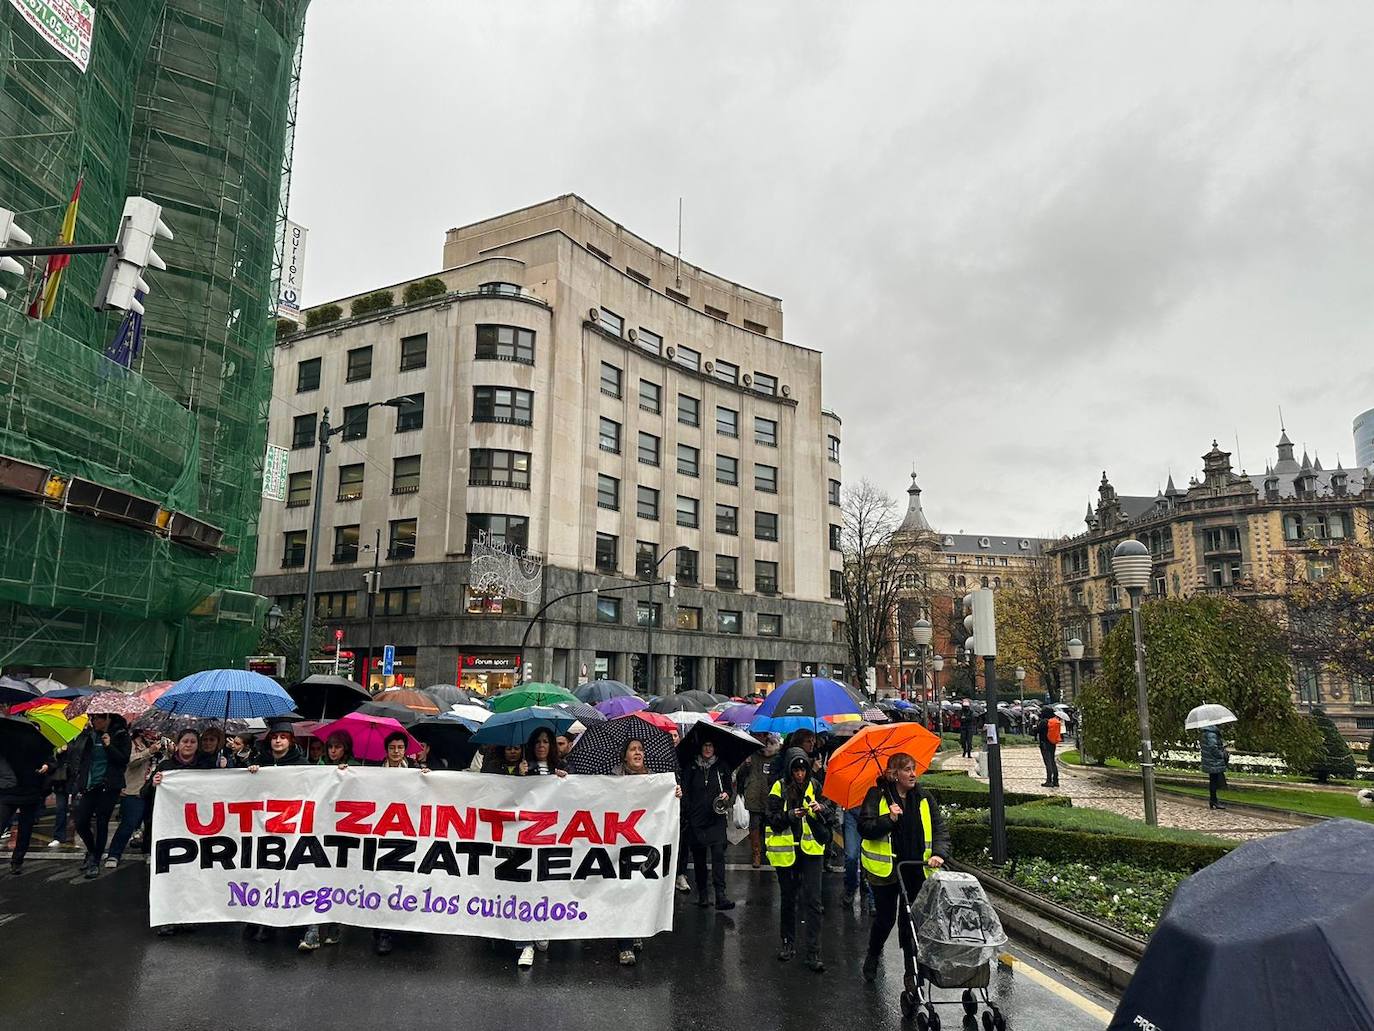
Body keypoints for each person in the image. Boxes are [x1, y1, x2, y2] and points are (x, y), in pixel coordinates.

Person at [857, 752, 951, 986]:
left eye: (914, 768)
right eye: (907, 769)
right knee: (886, 919)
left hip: (915, 869)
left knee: (911, 921)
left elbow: (939, 829)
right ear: (894, 773)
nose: (913, 774)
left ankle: (912, 973)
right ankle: (873, 953)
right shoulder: (877, 795)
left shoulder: (924, 798)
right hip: (886, 870)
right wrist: (889, 819)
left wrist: (939, 853)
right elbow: (865, 828)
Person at [613, 737, 682, 965]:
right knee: (623, 890)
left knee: (641, 888)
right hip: (620, 845)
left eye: (641, 749)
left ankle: (636, 929)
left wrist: (674, 793)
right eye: (632, 749)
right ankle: (624, 945)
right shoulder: (612, 779)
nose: (638, 752)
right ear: (624, 756)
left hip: (646, 844)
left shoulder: (655, 780)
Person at [765, 747, 830, 972]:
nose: (800, 774)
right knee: (789, 899)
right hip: (787, 851)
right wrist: (789, 816)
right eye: (796, 770)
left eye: (803, 769)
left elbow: (829, 811)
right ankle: (788, 942)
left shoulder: (815, 786)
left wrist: (820, 808)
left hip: (811, 851)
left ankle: (813, 951)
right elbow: (771, 818)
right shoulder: (778, 787)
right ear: (790, 770)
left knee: (813, 901)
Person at [244, 719, 305, 942]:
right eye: (275, 737)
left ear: (290, 741)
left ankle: (281, 920)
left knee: (286, 875)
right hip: (264, 827)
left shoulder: (301, 763)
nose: (278, 741)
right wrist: (252, 773)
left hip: (289, 828)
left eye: (283, 737)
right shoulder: (262, 761)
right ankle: (259, 920)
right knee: (262, 874)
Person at [148, 729, 204, 937]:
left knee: (191, 874)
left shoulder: (204, 767)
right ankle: (168, 917)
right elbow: (146, 793)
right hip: (170, 828)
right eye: (185, 741)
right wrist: (155, 783)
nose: (188, 745)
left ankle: (188, 916)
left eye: (192, 742)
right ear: (178, 744)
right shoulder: (165, 766)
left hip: (194, 830)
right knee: (169, 874)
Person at [74, 713, 131, 879]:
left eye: (97, 718)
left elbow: (123, 760)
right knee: (81, 822)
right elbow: (81, 759)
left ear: (107, 719)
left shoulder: (121, 735)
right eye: (92, 718)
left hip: (109, 786)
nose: (93, 721)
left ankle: (95, 861)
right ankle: (92, 851)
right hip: (90, 785)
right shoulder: (90, 735)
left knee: (101, 822)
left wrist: (109, 745)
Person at [682, 737, 735, 910]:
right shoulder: (691, 766)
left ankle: (721, 895)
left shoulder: (722, 766)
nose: (708, 748)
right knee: (699, 859)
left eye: (711, 745)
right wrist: (689, 811)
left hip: (716, 818)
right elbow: (685, 790)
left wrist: (727, 794)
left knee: (719, 855)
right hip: (696, 820)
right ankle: (703, 894)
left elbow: (729, 788)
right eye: (705, 745)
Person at [105, 728, 161, 868]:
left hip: (153, 791)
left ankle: (148, 851)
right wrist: (149, 752)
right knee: (129, 823)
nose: (153, 734)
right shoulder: (131, 744)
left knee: (151, 824)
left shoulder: (158, 745)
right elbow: (130, 762)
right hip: (134, 791)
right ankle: (114, 853)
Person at [1, 748, 53, 874]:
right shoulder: (6, 734)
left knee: (25, 829)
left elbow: (50, 760)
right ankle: (17, 862)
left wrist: (47, 765)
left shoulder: (38, 738)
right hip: (10, 788)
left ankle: (17, 861)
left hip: (30, 788)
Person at [740, 733, 781, 868]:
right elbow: (741, 776)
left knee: (771, 827)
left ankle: (770, 852)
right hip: (754, 796)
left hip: (771, 797)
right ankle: (756, 854)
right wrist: (746, 765)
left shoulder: (777, 757)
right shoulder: (751, 754)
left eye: (761, 736)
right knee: (754, 826)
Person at [1200, 724, 1230, 810]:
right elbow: (1213, 747)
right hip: (1213, 761)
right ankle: (1214, 800)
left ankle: (1213, 800)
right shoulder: (1211, 733)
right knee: (1214, 780)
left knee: (1213, 780)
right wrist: (1222, 754)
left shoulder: (1208, 732)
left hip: (1211, 760)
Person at [1035, 706, 1060, 787]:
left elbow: (1036, 731)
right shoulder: (1054, 721)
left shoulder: (1043, 722)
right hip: (1052, 743)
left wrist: (1035, 726)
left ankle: (1049, 781)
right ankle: (1056, 780)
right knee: (1052, 761)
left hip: (1044, 744)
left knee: (1048, 763)